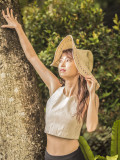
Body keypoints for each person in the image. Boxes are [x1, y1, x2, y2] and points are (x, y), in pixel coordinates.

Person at [1, 7, 100, 160]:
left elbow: (92, 127)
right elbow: (33, 57)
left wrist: (92, 93)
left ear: (80, 68)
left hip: (73, 157)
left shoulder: (87, 97)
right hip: (48, 157)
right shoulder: (55, 87)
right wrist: (18, 28)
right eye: (61, 60)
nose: (62, 64)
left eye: (68, 61)